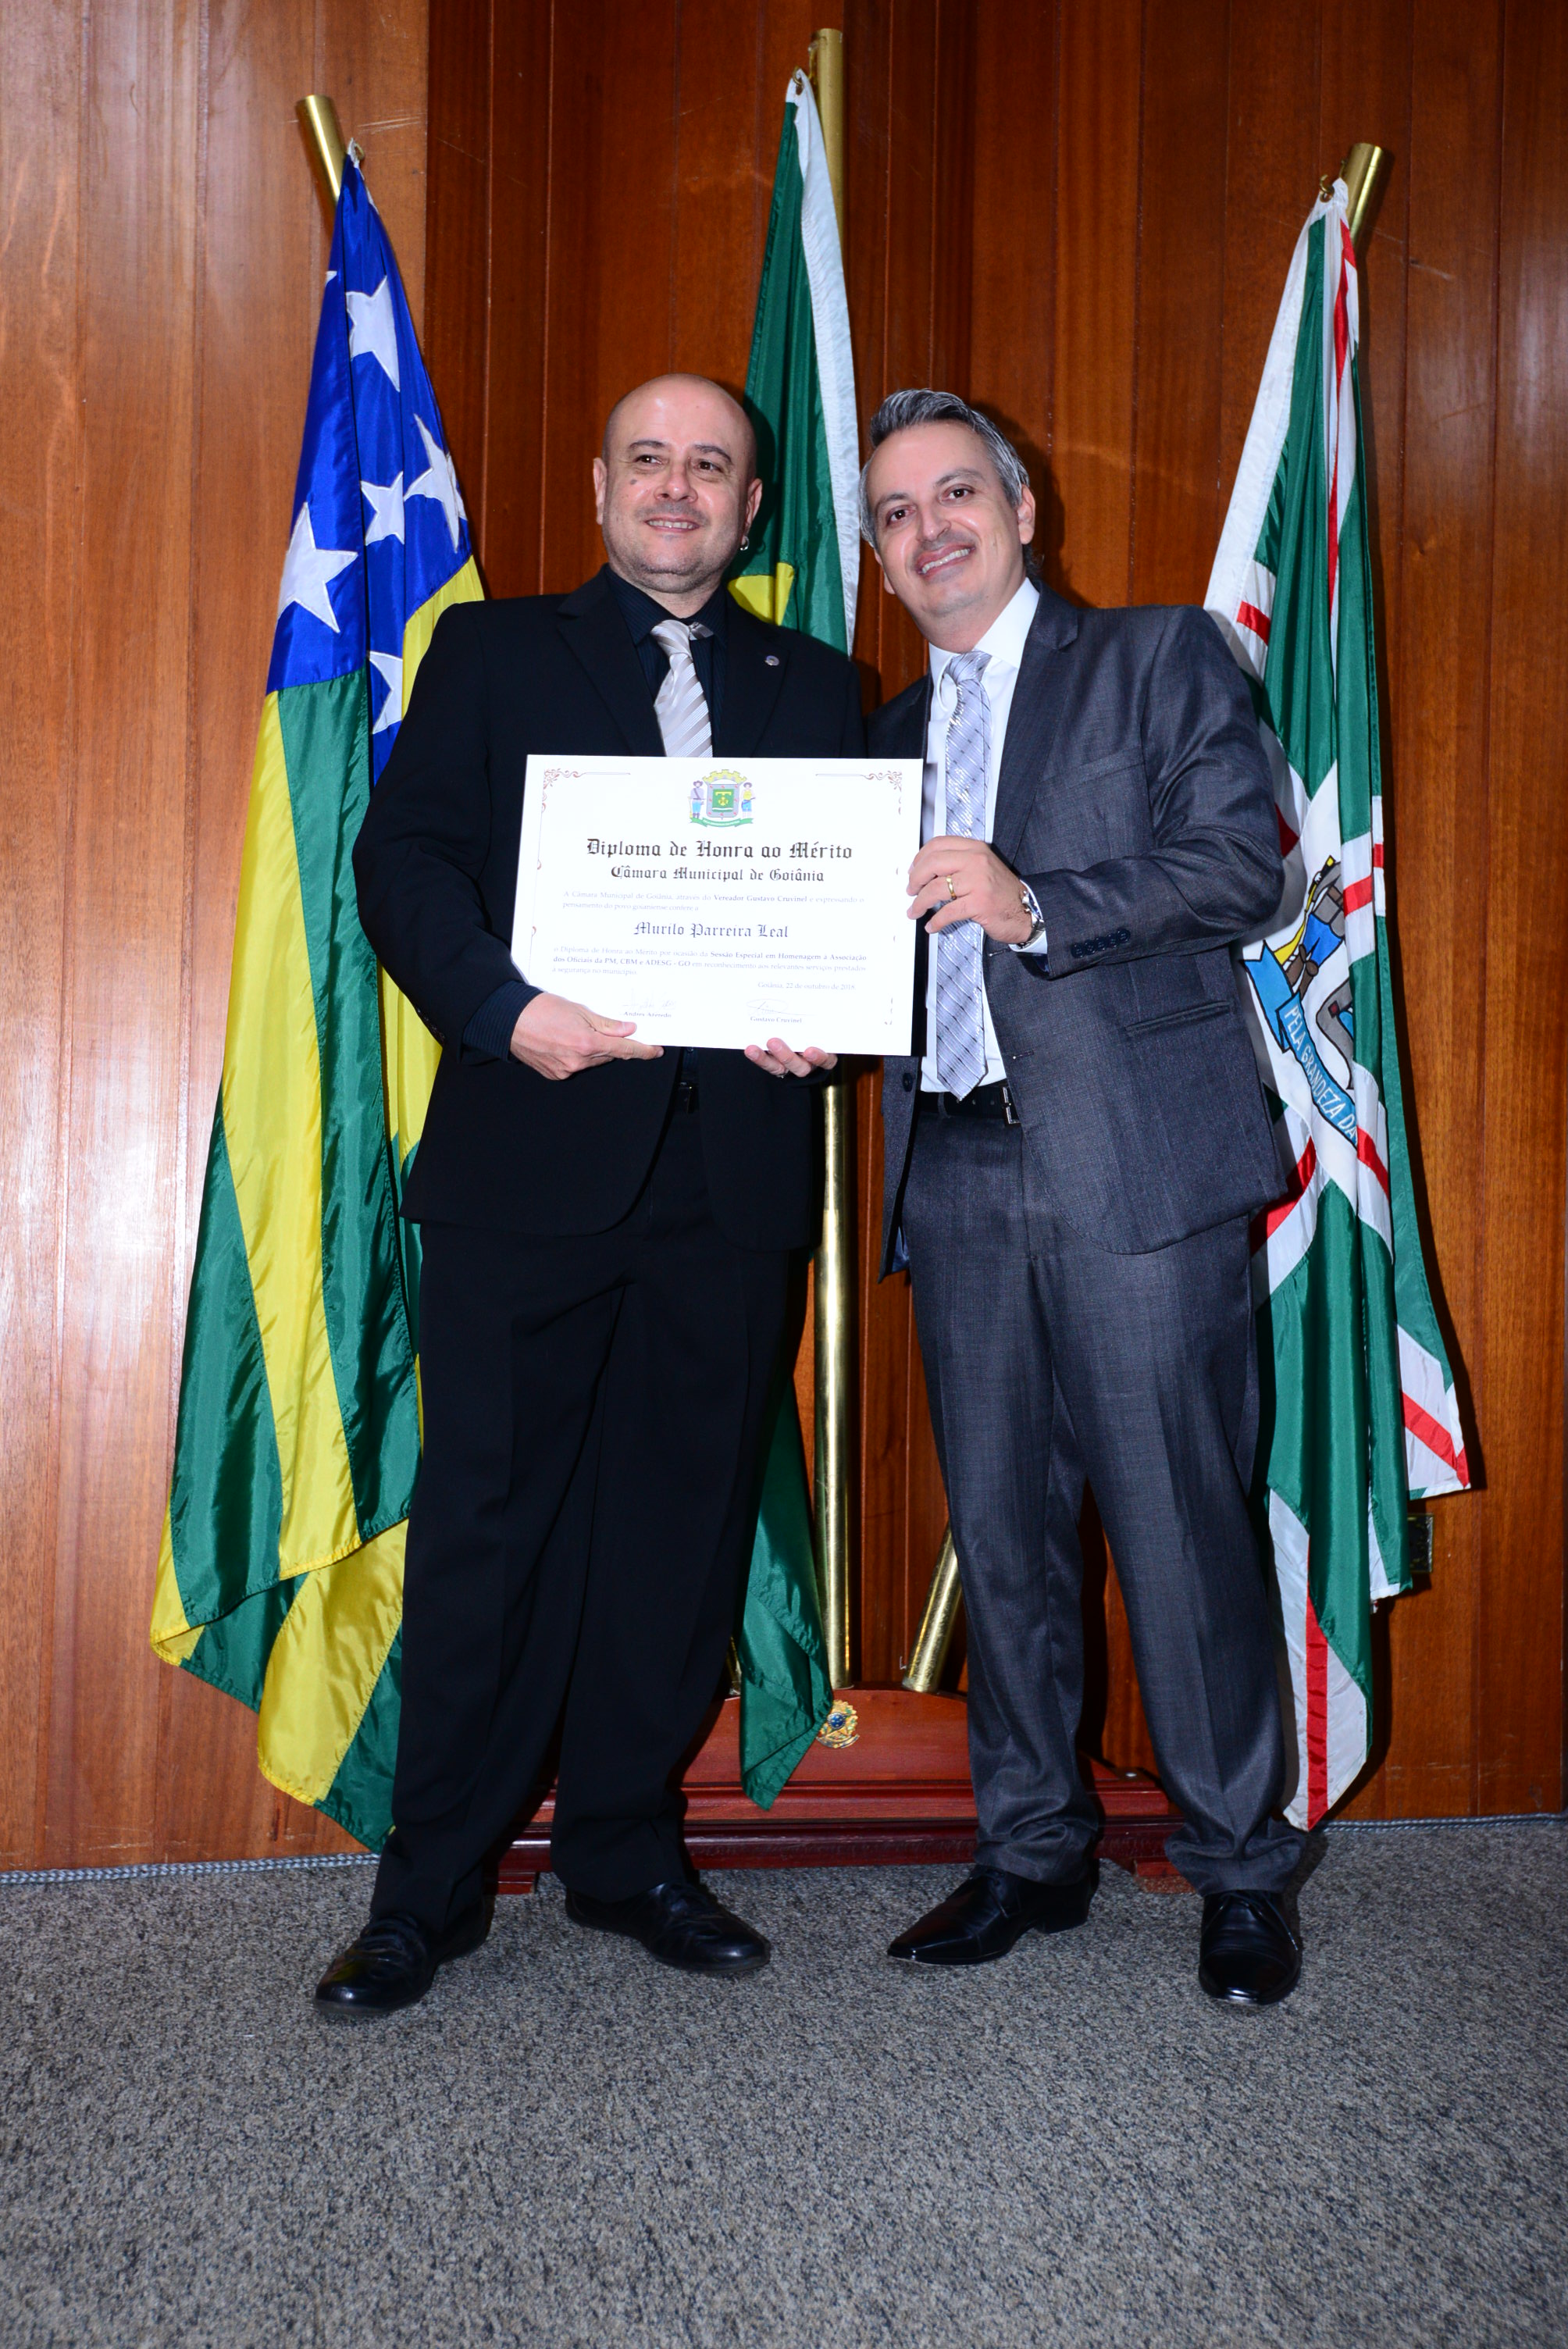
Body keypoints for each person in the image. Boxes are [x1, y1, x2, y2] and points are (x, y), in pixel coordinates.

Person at [316, 375, 863, 2018]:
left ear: (749, 508)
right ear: (601, 484)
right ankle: (429, 1886)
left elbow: (841, 911)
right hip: (529, 1161)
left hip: (731, 1177)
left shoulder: (824, 685)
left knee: (678, 1532)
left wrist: (827, 1013)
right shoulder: (490, 653)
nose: (677, 488)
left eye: (711, 466)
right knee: (486, 1531)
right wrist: (505, 1010)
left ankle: (623, 1851)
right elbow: (403, 860)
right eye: (649, 461)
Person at [861, 388, 1306, 2006]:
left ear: (1021, 508)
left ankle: (1237, 1866)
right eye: (896, 513)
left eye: (955, 494)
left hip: (1136, 1163)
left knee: (1179, 1524)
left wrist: (1037, 901)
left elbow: (1244, 864)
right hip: (956, 1163)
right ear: (878, 557)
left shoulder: (1156, 658)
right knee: (1002, 1534)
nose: (930, 529)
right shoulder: (879, 742)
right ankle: (1032, 1849)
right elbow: (855, 954)